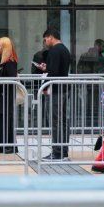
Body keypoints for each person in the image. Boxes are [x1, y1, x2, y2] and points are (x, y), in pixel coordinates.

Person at [36, 28, 72, 160]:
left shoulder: (54, 51)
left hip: (56, 90)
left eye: (45, 39)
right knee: (62, 120)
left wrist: (45, 85)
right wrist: (48, 68)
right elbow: (58, 69)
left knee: (56, 121)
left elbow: (54, 72)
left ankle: (57, 152)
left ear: (51, 37)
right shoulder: (64, 49)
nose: (45, 42)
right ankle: (63, 151)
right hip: (63, 88)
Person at [0, 36, 19, 154]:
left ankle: (9, 145)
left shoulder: (10, 62)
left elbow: (11, 79)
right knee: (3, 119)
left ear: (4, 47)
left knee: (7, 119)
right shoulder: (2, 61)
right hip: (3, 95)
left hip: (7, 95)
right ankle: (3, 144)